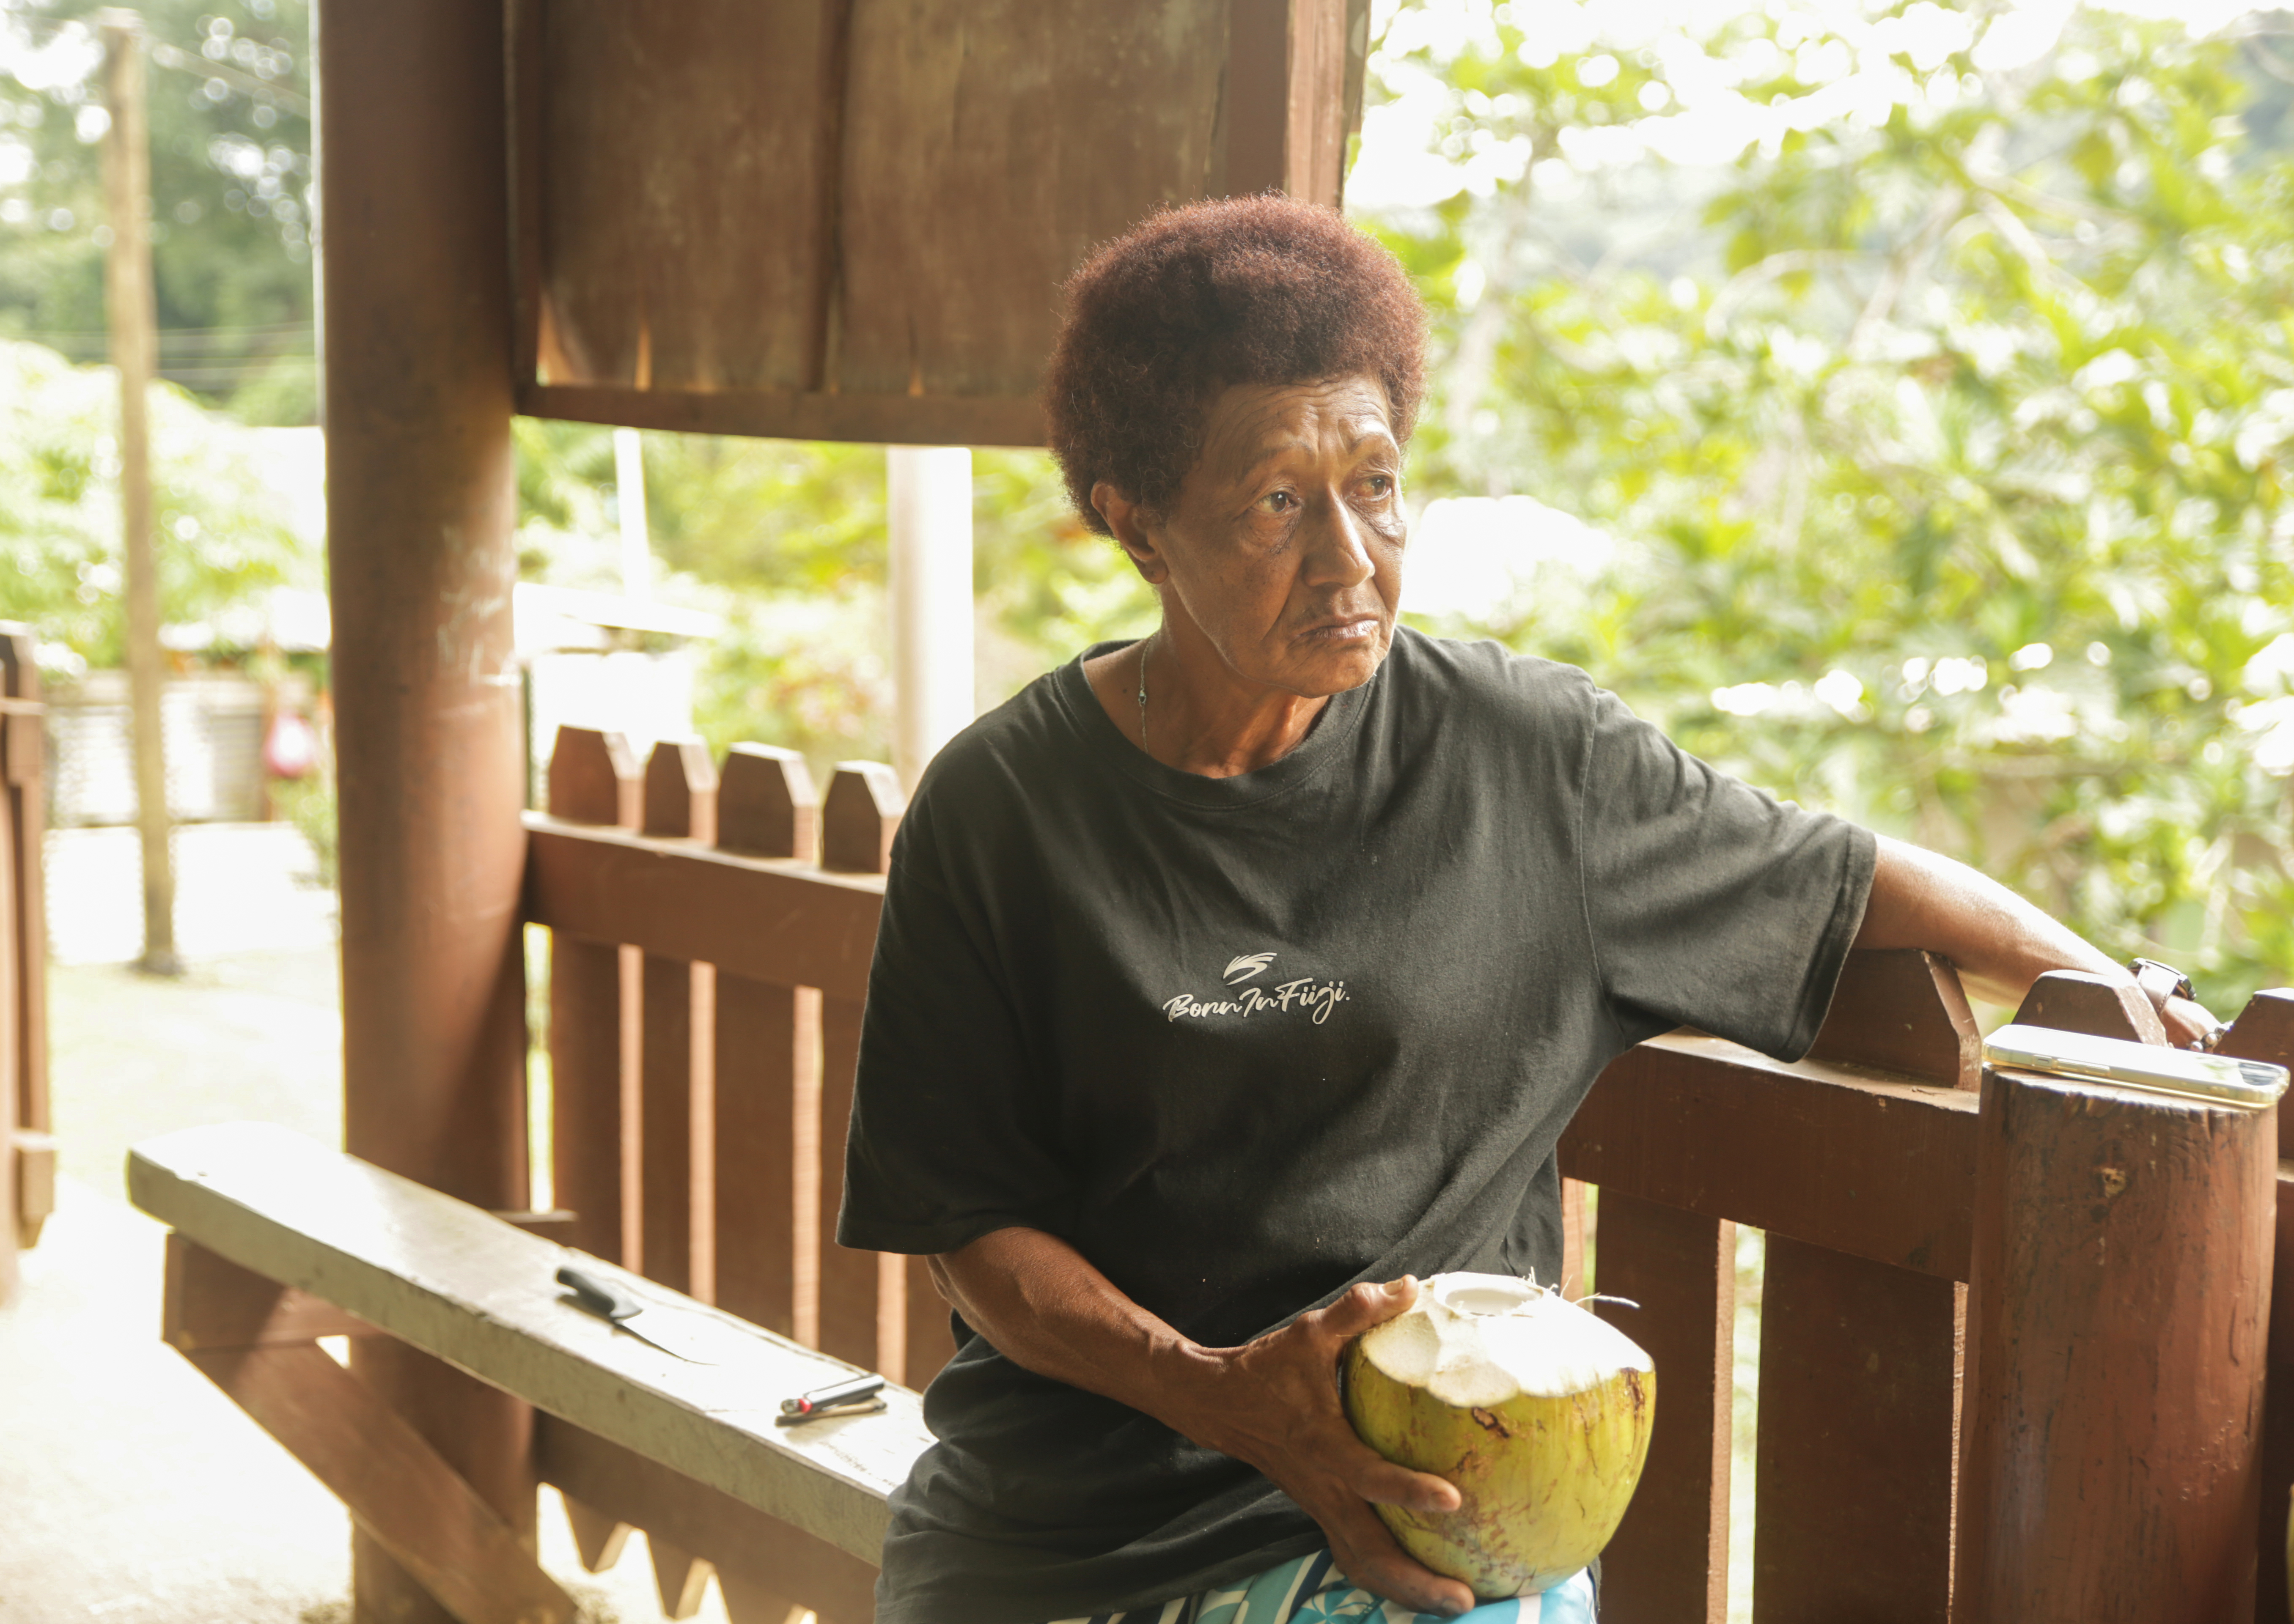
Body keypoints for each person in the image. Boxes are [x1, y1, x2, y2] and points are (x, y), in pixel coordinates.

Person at [833, 195, 2217, 1624]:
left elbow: (1848, 877)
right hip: (1059, 1536)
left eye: (1373, 485)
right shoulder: (1001, 811)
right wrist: (1233, 1400)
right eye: (1275, 503)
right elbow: (974, 1232)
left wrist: (2113, 988)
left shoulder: (1527, 760)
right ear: (1137, 528)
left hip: (1431, 1526)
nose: (1349, 559)